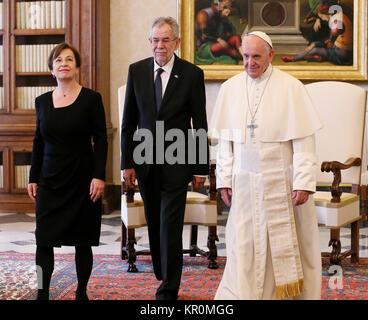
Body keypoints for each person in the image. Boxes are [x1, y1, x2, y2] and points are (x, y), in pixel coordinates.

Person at [209, 31, 323, 300]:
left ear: (271, 55)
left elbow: (304, 141)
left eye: (257, 57)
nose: (250, 63)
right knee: (245, 244)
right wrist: (224, 179)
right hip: (245, 182)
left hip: (282, 182)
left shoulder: (291, 87)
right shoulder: (230, 88)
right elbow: (226, 142)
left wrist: (304, 182)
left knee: (286, 246)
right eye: (246, 56)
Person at [121, 17, 209, 300]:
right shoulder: (136, 72)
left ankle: (169, 287)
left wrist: (200, 169)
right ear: (150, 42)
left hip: (177, 162)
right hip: (145, 162)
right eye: (155, 40)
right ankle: (162, 270)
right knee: (154, 221)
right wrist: (127, 162)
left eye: (166, 40)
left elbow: (200, 124)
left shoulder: (192, 74)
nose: (160, 45)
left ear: (177, 42)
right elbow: (128, 122)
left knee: (170, 225)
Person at [28, 43, 108, 300]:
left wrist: (99, 176)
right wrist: (33, 177)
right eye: (58, 60)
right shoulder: (41, 102)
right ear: (51, 68)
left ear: (77, 66)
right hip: (50, 181)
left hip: (82, 181)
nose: (64, 63)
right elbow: (38, 141)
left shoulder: (91, 99)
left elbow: (101, 140)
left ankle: (81, 291)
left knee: (82, 241)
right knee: (43, 241)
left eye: (69, 59)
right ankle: (42, 292)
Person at [282, 5, 353, 65]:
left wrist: (314, 45)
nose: (323, 19)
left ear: (327, 13)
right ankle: (315, 57)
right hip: (342, 50)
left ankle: (294, 59)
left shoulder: (335, 22)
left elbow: (330, 42)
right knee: (315, 46)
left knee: (315, 49)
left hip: (341, 53)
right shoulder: (338, 16)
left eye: (322, 17)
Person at [195, 0, 243, 65]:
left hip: (216, 42)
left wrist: (224, 19)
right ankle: (241, 57)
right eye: (225, 6)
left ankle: (243, 55)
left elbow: (226, 32)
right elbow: (204, 36)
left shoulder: (219, 14)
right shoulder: (203, 14)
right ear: (217, 3)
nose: (227, 8)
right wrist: (219, 39)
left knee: (236, 38)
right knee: (223, 46)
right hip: (204, 47)